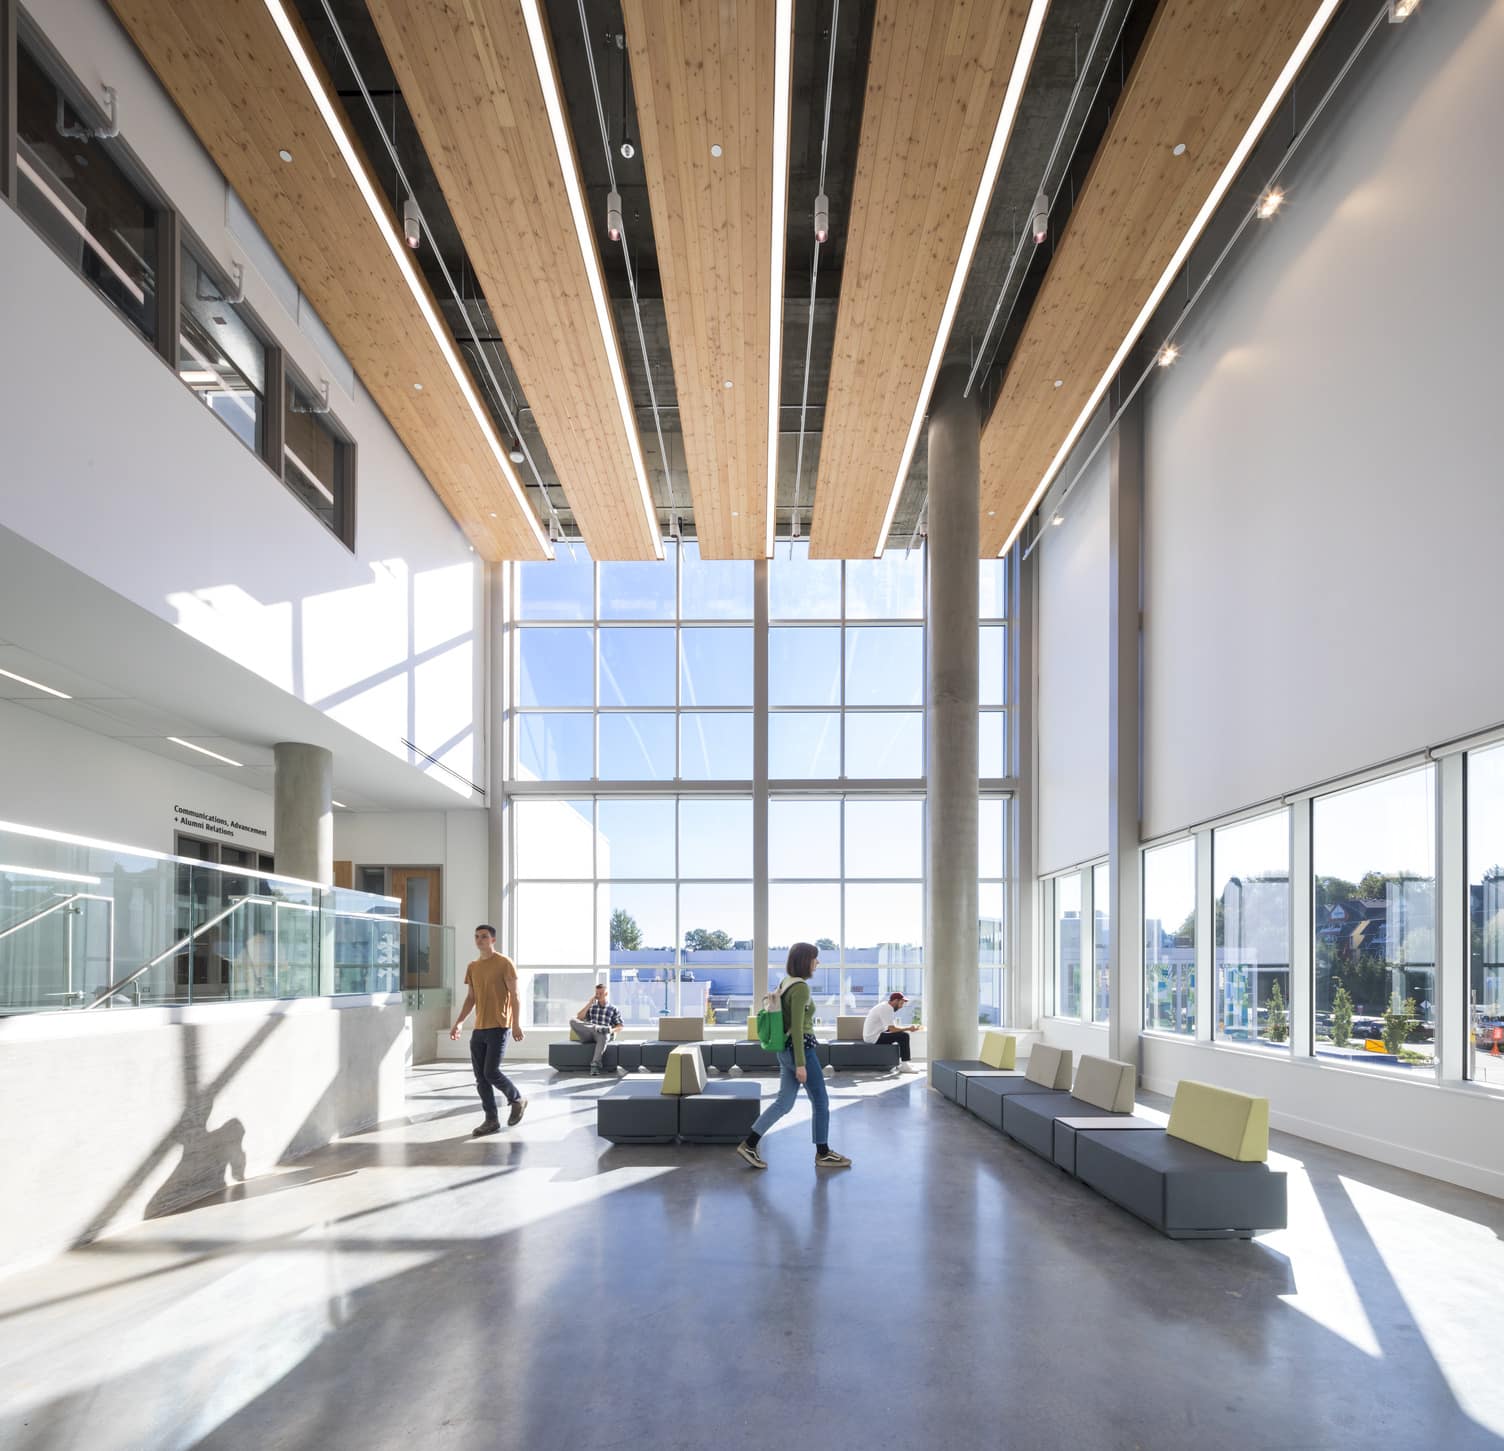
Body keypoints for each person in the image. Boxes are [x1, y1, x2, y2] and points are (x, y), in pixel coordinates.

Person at [736, 942, 851, 1170]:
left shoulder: (785, 983)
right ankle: (823, 1152)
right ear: (805, 960)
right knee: (821, 1102)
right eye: (814, 958)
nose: (817, 962)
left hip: (784, 1050)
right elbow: (797, 1028)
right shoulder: (801, 989)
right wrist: (801, 1064)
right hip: (801, 1051)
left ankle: (750, 1144)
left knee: (784, 1103)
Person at [449, 924, 527, 1136]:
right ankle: (491, 1120)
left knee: (491, 1072)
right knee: (481, 1078)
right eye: (476, 937)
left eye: (484, 937)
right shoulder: (473, 967)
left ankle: (517, 1098)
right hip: (479, 1028)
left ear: (493, 940)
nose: (479, 940)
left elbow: (515, 996)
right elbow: (471, 998)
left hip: (500, 1026)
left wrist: (517, 1023)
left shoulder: (504, 963)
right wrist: (459, 1022)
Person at [862, 990, 920, 1073]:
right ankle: (904, 1066)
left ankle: (904, 1063)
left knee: (901, 1035)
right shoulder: (887, 1008)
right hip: (873, 1037)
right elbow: (892, 1029)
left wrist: (904, 1029)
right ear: (895, 1001)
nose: (901, 1006)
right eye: (901, 1003)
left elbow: (890, 1028)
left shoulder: (885, 1006)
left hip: (873, 1035)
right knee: (904, 1036)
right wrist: (908, 1028)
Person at [573, 981, 624, 1075]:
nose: (598, 995)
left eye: (601, 993)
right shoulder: (592, 1007)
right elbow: (579, 1017)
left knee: (604, 1035)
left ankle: (595, 1066)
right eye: (597, 993)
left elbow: (620, 1026)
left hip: (602, 1034)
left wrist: (610, 1030)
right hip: (590, 1033)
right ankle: (595, 1027)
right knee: (572, 1021)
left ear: (606, 994)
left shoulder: (613, 1009)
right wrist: (589, 1003)